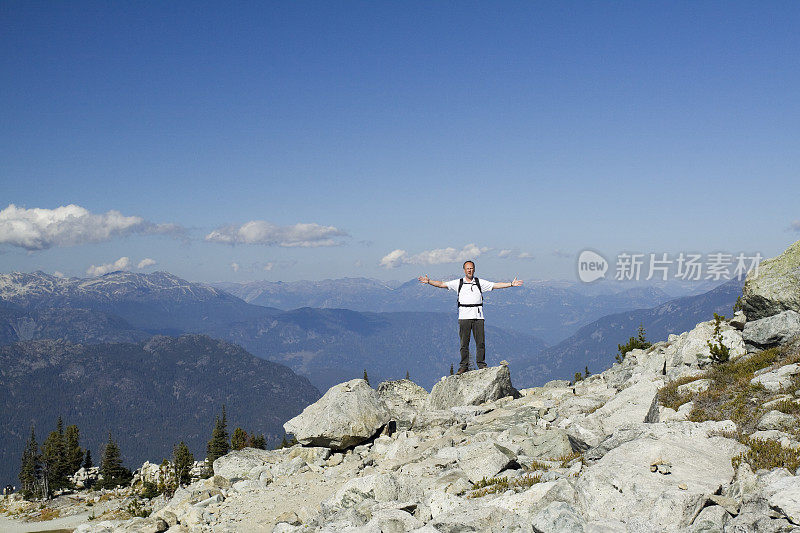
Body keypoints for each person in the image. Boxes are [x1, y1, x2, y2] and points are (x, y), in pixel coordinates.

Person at [419, 260, 523, 374]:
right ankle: (464, 366)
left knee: (480, 342)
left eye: (472, 268)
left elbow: (495, 285)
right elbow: (442, 284)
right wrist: (429, 281)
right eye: (468, 268)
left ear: (474, 269)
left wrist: (511, 284)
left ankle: (481, 365)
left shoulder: (479, 282)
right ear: (464, 270)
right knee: (464, 343)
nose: (470, 270)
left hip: (478, 316)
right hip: (464, 316)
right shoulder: (458, 283)